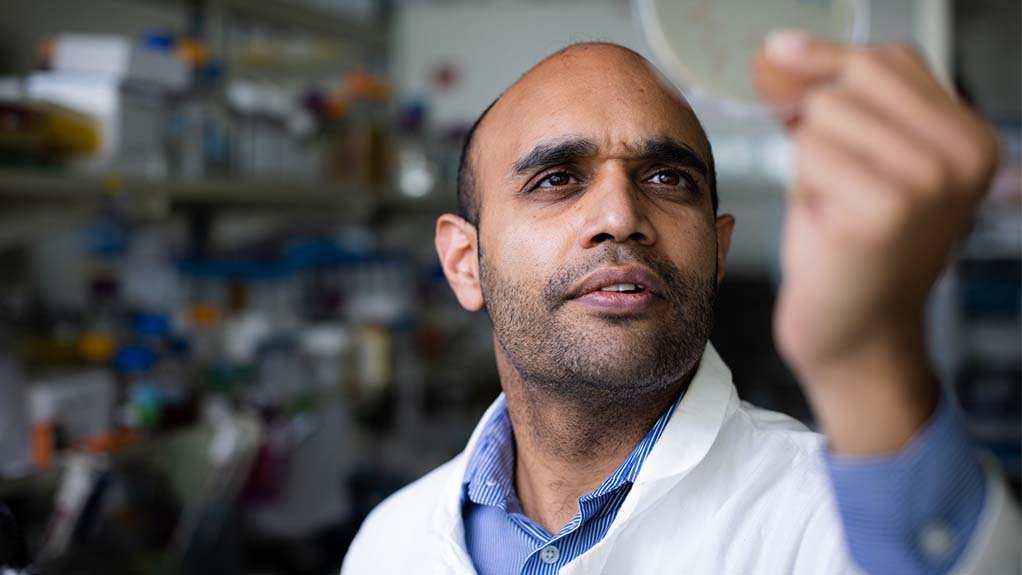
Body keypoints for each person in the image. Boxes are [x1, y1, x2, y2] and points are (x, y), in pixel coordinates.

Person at [343, 31, 1019, 574]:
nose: (619, 214)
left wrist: (864, 357)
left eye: (667, 178)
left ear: (718, 252)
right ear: (465, 263)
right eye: (556, 178)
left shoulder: (836, 521)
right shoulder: (391, 544)